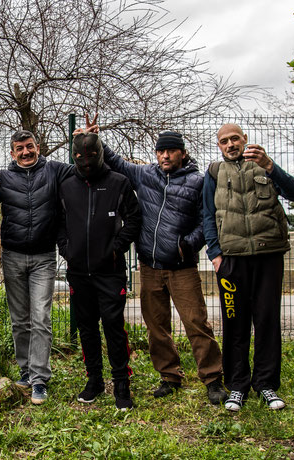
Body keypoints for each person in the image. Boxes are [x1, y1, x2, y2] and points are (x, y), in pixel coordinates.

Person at [79, 113, 228, 405]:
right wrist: (98, 138)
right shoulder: (145, 174)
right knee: (156, 326)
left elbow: (205, 220)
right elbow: (118, 163)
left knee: (196, 323)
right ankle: (169, 376)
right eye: (161, 150)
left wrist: (188, 245)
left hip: (182, 266)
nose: (165, 155)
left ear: (182, 153)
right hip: (148, 265)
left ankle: (212, 379)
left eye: (171, 150)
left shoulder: (198, 182)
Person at [203, 123, 294, 412]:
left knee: (267, 320)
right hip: (231, 259)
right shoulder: (214, 173)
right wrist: (215, 254)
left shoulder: (265, 166)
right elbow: (208, 215)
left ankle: (267, 384)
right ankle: (237, 386)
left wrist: (270, 165)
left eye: (235, 138)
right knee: (235, 322)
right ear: (219, 146)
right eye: (224, 141)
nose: (230, 144)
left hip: (268, 255)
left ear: (245, 139)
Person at [58, 132, 141, 410]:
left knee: (113, 327)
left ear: (100, 154)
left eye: (91, 155)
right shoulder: (67, 186)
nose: (85, 161)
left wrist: (117, 247)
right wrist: (66, 249)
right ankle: (94, 380)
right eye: (80, 157)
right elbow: (58, 222)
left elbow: (134, 219)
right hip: (79, 271)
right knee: (87, 329)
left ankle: (121, 383)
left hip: (110, 271)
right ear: (74, 156)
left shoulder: (119, 182)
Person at [0, 130, 73, 404]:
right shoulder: (3, 179)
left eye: (29, 147)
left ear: (38, 147)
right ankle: (26, 371)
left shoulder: (54, 170)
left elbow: (84, 168)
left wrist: (89, 140)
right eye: (20, 148)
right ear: (12, 153)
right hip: (13, 256)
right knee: (20, 320)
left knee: (41, 317)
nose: (26, 152)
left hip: (43, 257)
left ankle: (39, 380)